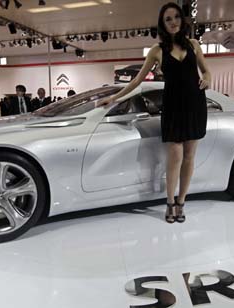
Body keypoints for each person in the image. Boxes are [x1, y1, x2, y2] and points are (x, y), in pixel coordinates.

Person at [97, 2, 210, 224]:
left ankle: (181, 202)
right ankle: (169, 202)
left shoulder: (195, 45)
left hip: (195, 104)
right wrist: (115, 97)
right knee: (175, 156)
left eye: (176, 17)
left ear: (182, 19)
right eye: (168, 19)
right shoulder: (157, 51)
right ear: (163, 24)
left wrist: (207, 78)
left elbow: (206, 70)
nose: (173, 22)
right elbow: (138, 81)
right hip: (173, 107)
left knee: (189, 157)